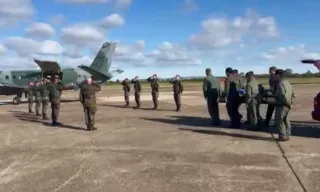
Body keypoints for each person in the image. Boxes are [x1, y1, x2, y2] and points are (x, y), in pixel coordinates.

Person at [263, 69, 295, 141]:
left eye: (275, 75)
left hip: (282, 105)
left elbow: (282, 97)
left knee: (279, 120)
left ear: (278, 75)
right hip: (287, 105)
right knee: (285, 120)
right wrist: (291, 103)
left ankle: (283, 136)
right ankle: (287, 133)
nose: (274, 77)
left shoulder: (280, 84)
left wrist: (269, 100)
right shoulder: (287, 83)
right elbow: (293, 94)